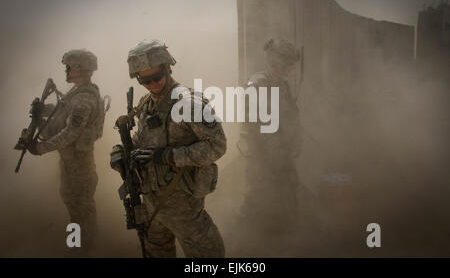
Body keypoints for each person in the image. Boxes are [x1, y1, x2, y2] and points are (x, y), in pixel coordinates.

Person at [115, 40, 226, 257]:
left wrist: (170, 156)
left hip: (182, 203)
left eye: (157, 76)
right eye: (145, 79)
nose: (153, 83)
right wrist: (122, 153)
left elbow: (217, 146)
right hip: (151, 202)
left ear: (168, 68)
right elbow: (143, 141)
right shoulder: (146, 104)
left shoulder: (189, 103)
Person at [16, 49, 106, 255]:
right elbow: (63, 112)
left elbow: (71, 132)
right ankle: (78, 247)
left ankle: (82, 250)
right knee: (76, 210)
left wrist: (40, 148)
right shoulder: (77, 93)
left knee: (81, 212)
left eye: (70, 67)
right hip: (72, 164)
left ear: (80, 69)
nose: (66, 70)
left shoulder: (84, 98)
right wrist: (44, 110)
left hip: (79, 167)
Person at [237, 38, 305, 256]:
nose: (291, 68)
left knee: (287, 200)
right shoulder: (257, 84)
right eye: (289, 63)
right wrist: (273, 152)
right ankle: (249, 249)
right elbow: (255, 124)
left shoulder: (281, 84)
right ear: (278, 61)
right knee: (259, 202)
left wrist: (295, 140)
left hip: (282, 156)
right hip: (263, 159)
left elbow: (290, 117)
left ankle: (283, 244)